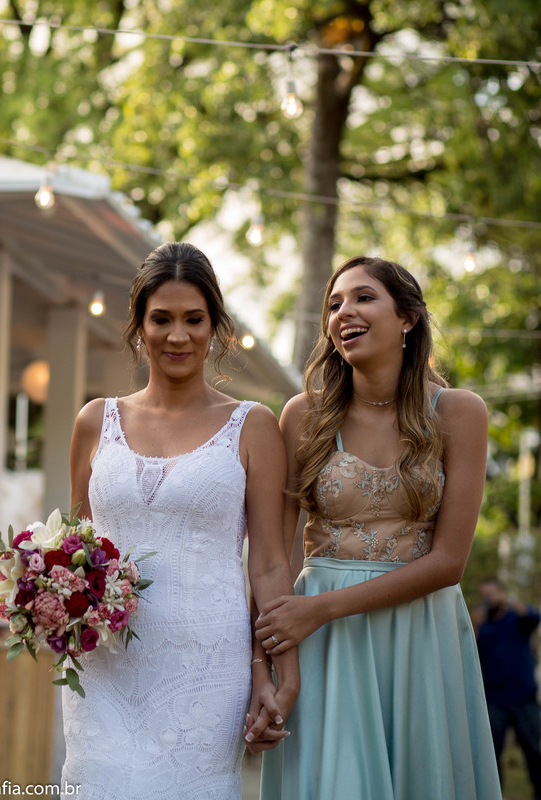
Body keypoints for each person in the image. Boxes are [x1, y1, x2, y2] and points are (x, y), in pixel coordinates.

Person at [257, 255, 499, 798]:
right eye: (334, 303)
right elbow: (277, 555)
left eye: (364, 297)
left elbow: (448, 563)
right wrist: (271, 664)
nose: (345, 312)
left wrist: (318, 608)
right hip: (322, 643)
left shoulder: (459, 412)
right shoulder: (303, 416)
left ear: (408, 317)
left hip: (419, 634)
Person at [64, 242, 297, 797]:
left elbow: (268, 563)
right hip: (104, 666)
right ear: (138, 326)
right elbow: (74, 550)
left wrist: (272, 670)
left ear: (215, 326)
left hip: (207, 671)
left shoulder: (254, 426)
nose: (178, 335)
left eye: (194, 319)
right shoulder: (95, 421)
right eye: (161, 319)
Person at [474, 578, 541, 794]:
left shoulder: (517, 619)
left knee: (533, 750)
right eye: (485, 596)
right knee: (492, 754)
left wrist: (509, 600)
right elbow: (469, 648)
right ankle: (495, 795)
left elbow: (533, 617)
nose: (489, 599)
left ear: (501, 594)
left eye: (492, 594)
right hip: (494, 702)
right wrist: (475, 622)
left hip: (524, 700)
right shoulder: (483, 625)